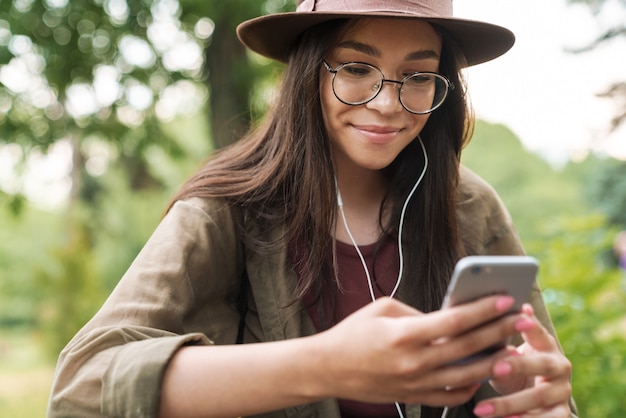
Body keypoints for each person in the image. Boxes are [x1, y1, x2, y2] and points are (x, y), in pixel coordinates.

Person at [48, 1, 577, 417]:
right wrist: (327, 365)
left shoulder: (469, 205)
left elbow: (536, 382)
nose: (388, 103)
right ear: (309, 72)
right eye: (355, 67)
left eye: (418, 76)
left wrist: (539, 398)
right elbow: (82, 387)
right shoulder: (225, 211)